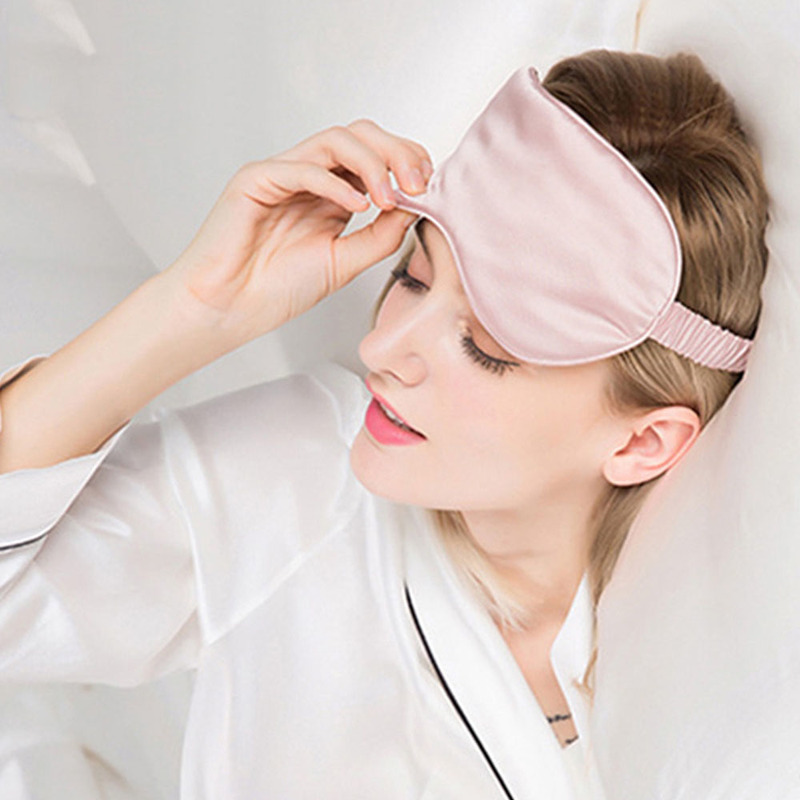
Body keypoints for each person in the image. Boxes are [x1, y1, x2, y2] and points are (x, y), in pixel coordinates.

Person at [0, 48, 769, 800]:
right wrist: (191, 310)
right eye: (413, 276)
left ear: (641, 442)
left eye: (485, 348)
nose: (380, 348)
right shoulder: (309, 482)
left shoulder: (722, 679)